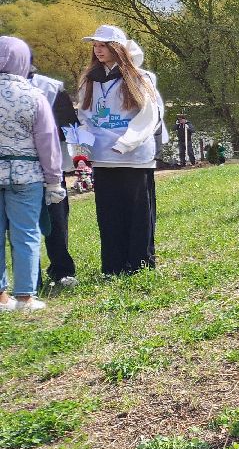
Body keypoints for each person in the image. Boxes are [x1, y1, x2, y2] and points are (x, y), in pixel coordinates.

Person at [74, 25, 162, 276]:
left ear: (117, 48)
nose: (97, 49)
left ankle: (139, 264)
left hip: (133, 157)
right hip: (102, 158)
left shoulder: (139, 77)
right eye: (95, 45)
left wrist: (126, 143)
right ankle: (113, 266)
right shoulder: (89, 80)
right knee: (109, 214)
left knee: (138, 214)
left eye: (103, 45)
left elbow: (149, 116)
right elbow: (84, 117)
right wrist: (82, 151)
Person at [0, 36, 64, 313]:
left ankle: (1, 297)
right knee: (26, 233)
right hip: (26, 175)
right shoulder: (33, 95)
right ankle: (25, 297)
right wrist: (54, 180)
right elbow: (47, 141)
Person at [28, 64, 79, 287]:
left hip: (51, 167)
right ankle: (30, 277)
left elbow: (70, 126)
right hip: (18, 171)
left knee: (56, 221)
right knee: (23, 225)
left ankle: (61, 269)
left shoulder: (51, 88)